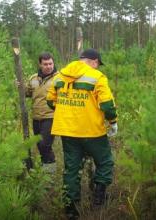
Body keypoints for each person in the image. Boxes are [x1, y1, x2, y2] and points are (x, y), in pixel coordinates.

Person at [46, 49, 118, 219]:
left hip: (67, 131)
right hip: (92, 131)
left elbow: (50, 101)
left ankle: (71, 209)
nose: (98, 67)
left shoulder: (60, 76)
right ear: (93, 61)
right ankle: (99, 199)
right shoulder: (97, 77)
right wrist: (113, 122)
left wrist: (68, 111)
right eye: (98, 64)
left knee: (71, 169)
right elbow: (107, 106)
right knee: (105, 162)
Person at [20, 52, 58, 171]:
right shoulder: (33, 78)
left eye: (50, 63)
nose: (48, 66)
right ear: (40, 64)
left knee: (44, 144)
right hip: (36, 118)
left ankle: (50, 170)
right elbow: (27, 93)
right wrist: (20, 86)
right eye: (45, 64)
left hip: (51, 117)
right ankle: (45, 169)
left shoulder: (59, 78)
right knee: (39, 145)